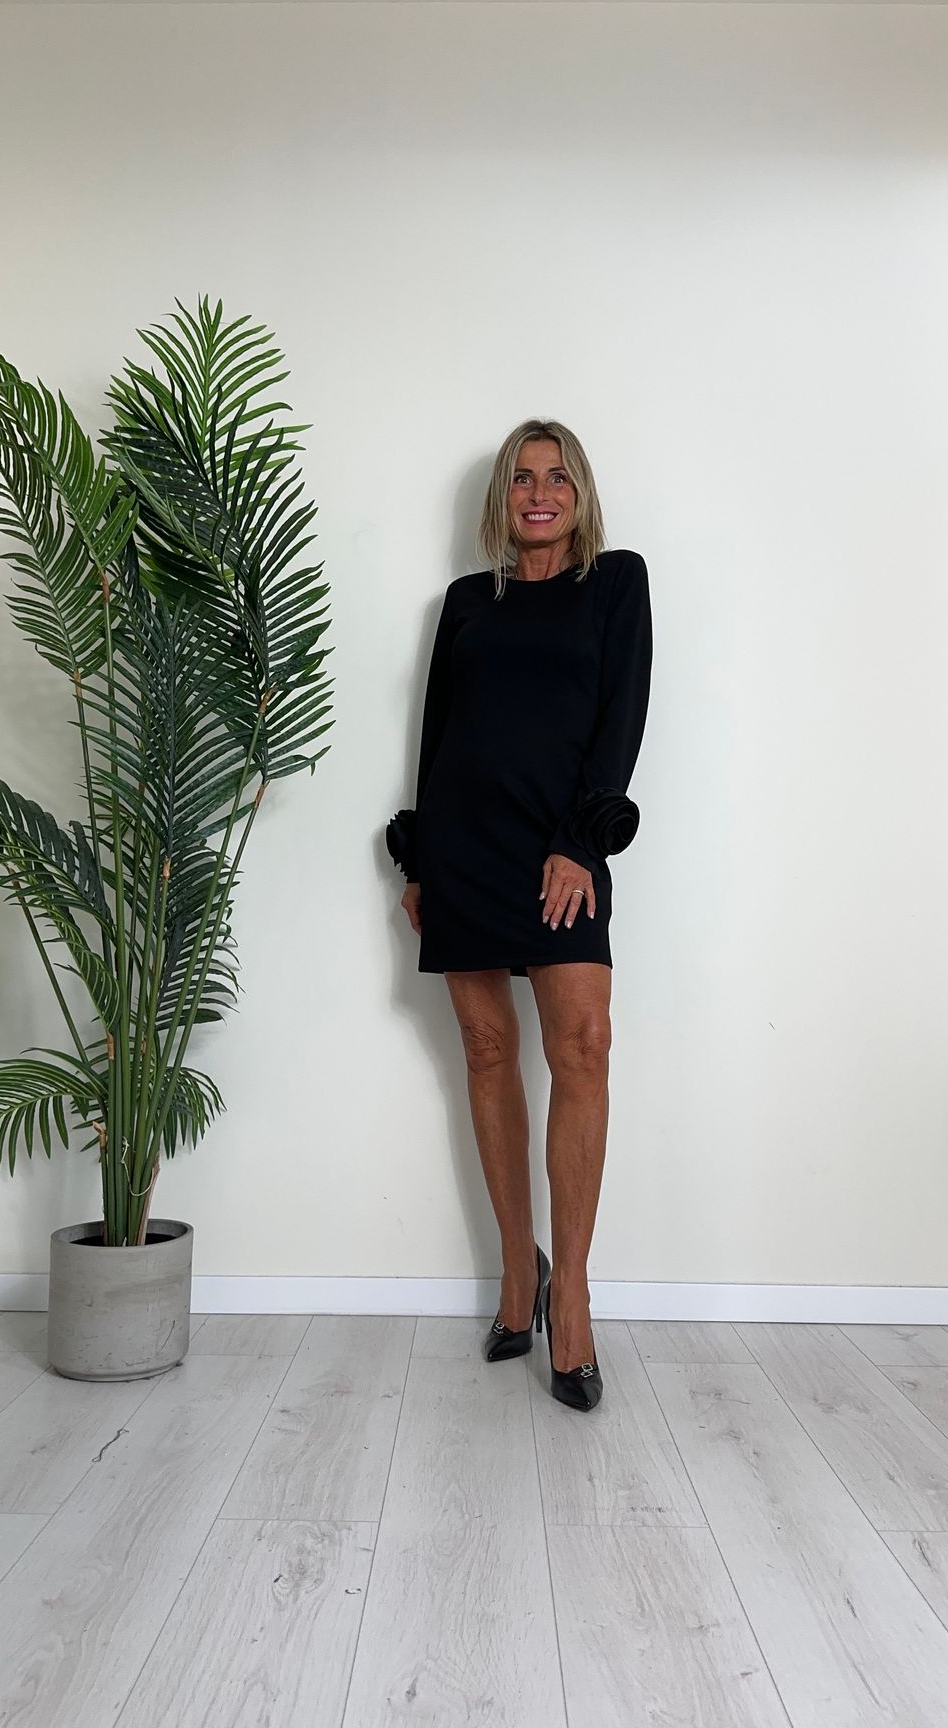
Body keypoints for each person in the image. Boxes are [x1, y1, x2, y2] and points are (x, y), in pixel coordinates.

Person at [386, 418, 653, 1411]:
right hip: (464, 843)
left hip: (557, 843)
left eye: (556, 478)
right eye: (521, 479)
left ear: (579, 496)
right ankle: (515, 1272)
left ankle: (569, 1294)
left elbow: (620, 718)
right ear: (502, 498)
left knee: (581, 1047)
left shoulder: (615, 584)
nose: (538, 495)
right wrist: (419, 859)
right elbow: (436, 734)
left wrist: (580, 843)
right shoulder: (466, 602)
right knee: (487, 1051)